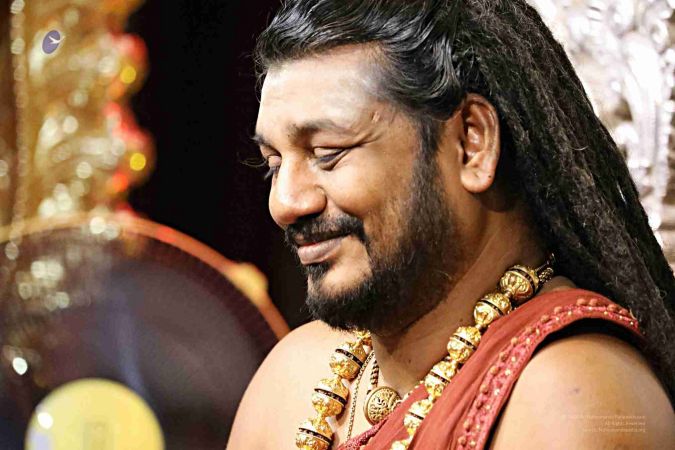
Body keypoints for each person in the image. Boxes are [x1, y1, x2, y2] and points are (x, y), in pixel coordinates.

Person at [227, 0, 675, 448]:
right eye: (274, 164)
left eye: (329, 153)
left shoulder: (571, 395)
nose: (285, 203)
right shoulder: (293, 380)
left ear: (471, 143)